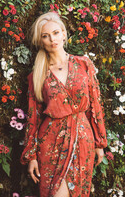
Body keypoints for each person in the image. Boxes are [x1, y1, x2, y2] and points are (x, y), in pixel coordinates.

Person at [20, 12, 107, 197]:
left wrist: (100, 143)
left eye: (56, 32)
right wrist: (31, 156)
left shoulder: (84, 64)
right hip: (51, 141)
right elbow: (33, 116)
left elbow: (95, 106)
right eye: (45, 36)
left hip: (83, 138)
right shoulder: (37, 75)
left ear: (64, 34)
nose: (52, 39)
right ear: (40, 41)